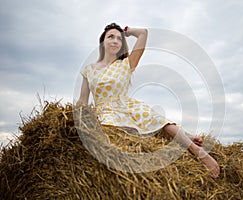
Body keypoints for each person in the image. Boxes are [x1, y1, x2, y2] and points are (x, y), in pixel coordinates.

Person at [77, 22, 220, 178]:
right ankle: (185, 134)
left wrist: (128, 31)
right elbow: (82, 101)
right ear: (102, 41)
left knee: (157, 120)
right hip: (104, 113)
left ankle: (197, 150)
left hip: (126, 106)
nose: (115, 40)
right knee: (132, 133)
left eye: (119, 39)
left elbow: (143, 33)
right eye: (111, 36)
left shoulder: (126, 64)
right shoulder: (89, 69)